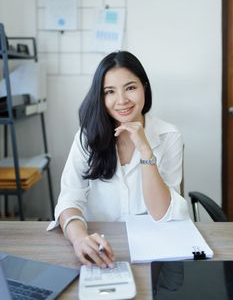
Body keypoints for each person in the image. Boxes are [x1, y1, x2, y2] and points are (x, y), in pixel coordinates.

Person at [48, 51, 189, 268]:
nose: (122, 101)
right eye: (110, 91)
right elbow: (69, 200)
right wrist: (79, 240)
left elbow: (162, 213)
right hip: (99, 247)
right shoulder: (87, 137)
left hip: (156, 249)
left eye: (130, 88)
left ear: (145, 87)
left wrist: (145, 151)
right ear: (100, 97)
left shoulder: (168, 136)